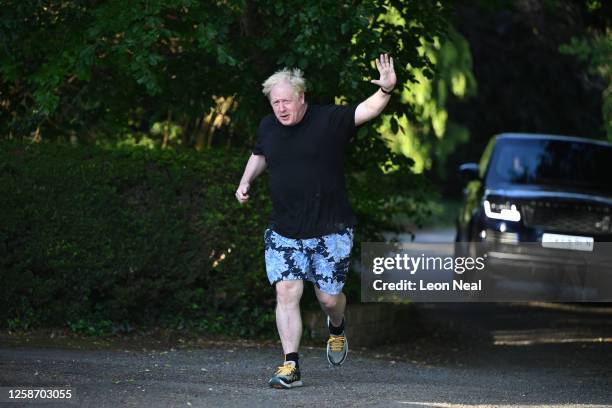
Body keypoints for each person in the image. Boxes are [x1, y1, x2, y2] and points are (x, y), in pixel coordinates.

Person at [235, 53, 396, 389]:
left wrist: (386, 91)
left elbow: (365, 111)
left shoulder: (329, 120)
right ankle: (290, 365)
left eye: (286, 101)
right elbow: (260, 152)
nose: (280, 108)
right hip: (285, 230)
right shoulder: (269, 126)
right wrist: (245, 180)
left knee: (328, 298)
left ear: (302, 97)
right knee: (286, 292)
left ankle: (336, 326)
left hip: (331, 228)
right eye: (274, 102)